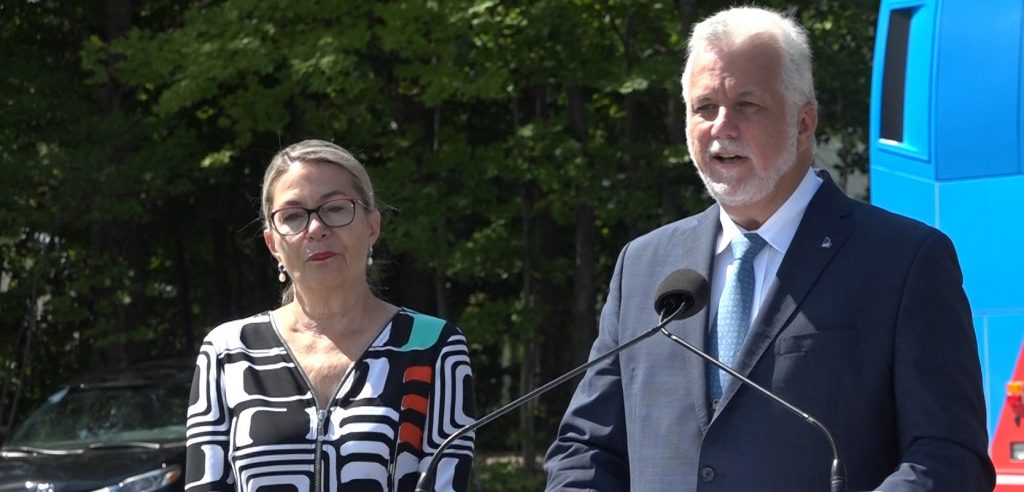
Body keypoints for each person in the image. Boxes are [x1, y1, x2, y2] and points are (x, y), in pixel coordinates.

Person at [544, 6, 994, 491]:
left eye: (747, 105)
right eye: (704, 107)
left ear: (804, 123)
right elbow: (587, 448)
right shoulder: (644, 265)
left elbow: (948, 456)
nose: (721, 126)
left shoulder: (904, 262)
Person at [185, 139, 476, 491]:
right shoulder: (228, 351)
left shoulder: (434, 346)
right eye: (292, 216)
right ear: (272, 243)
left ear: (372, 226)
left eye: (336, 208)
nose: (316, 228)